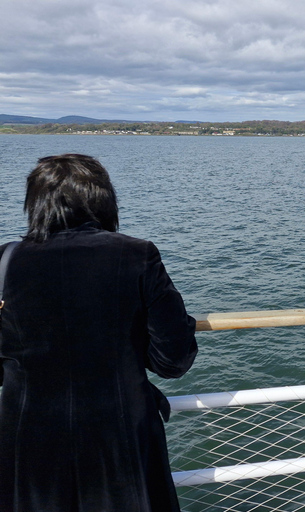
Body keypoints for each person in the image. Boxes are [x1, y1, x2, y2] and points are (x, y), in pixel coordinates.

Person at [0, 154, 198, 511]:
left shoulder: (5, 261)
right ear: (103, 200)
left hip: (29, 437)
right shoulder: (136, 254)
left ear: (35, 204)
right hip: (120, 433)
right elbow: (173, 360)